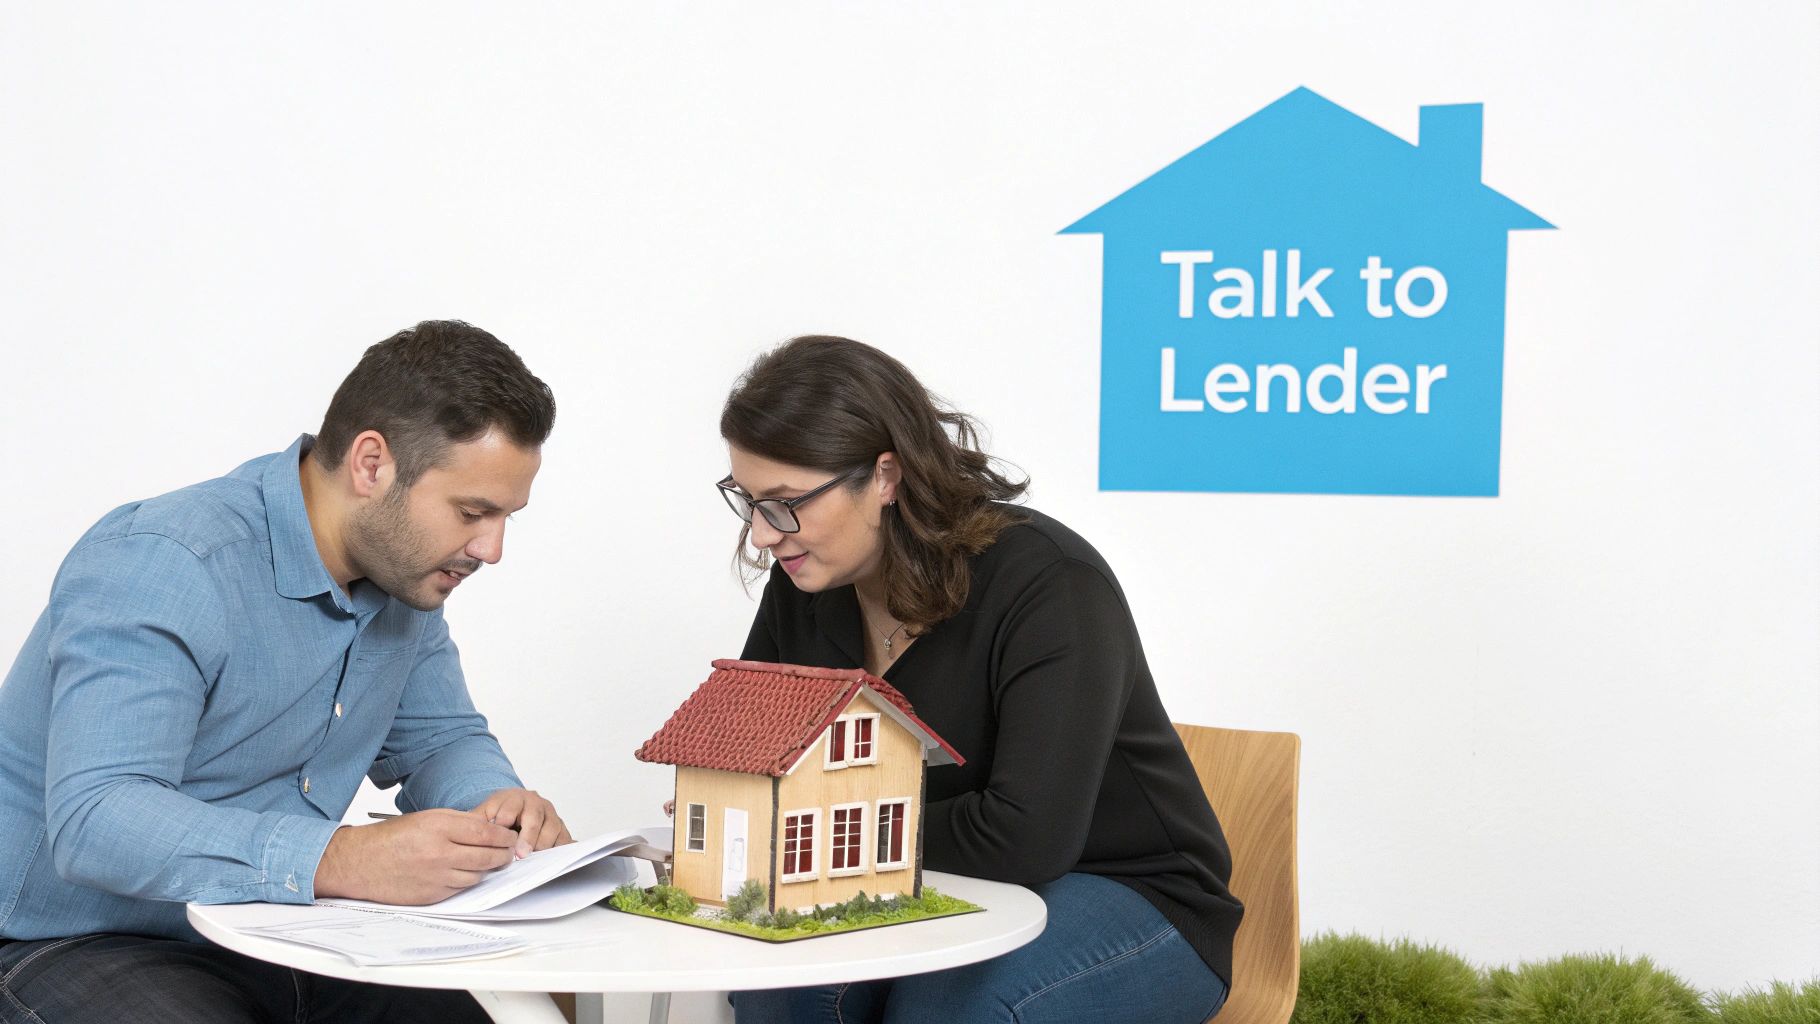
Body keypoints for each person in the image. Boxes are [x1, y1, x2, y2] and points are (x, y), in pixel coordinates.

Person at [0, 320, 573, 1023]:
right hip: (81, 941)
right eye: (472, 512)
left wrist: (499, 809)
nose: (491, 549)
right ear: (372, 465)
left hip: (288, 934)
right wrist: (341, 858)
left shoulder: (405, 582)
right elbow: (99, 818)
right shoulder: (166, 562)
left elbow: (438, 741)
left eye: (506, 516)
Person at [715, 336, 1241, 1023]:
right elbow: (755, 774)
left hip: (1129, 891)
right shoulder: (804, 585)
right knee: (781, 983)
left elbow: (1025, 839)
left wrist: (811, 833)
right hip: (924, 883)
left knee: (948, 1006)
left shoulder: (1050, 584)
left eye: (785, 503)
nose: (762, 534)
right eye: (748, 500)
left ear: (884, 477)